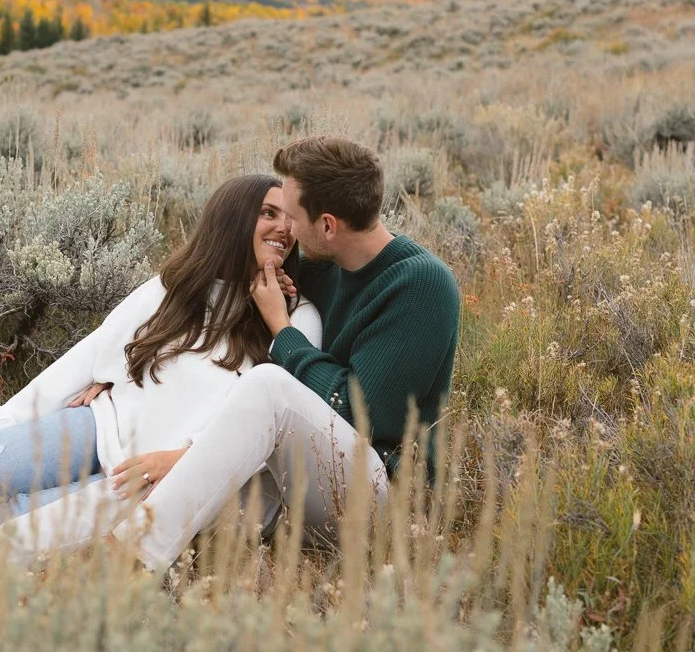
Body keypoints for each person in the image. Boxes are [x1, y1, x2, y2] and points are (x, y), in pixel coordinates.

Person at [0, 173, 319, 570]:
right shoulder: (175, 289)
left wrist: (185, 457)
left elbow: (268, 424)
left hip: (160, 468)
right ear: (233, 221)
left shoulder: (298, 320)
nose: (283, 228)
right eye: (268, 213)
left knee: (46, 509)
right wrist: (12, 417)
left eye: (288, 218)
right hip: (108, 421)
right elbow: (91, 354)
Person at [114, 135, 461, 572]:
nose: (287, 231)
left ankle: (133, 558)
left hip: (382, 498)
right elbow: (226, 285)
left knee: (268, 387)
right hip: (297, 477)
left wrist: (283, 328)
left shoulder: (421, 286)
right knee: (152, 490)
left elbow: (355, 412)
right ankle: (50, 545)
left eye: (293, 218)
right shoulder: (324, 266)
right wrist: (114, 370)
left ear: (328, 225)